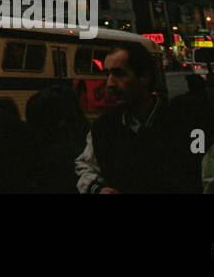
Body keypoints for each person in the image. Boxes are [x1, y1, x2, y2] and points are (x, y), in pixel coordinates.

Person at [75, 42, 200, 193]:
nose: (110, 84)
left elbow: (210, 175)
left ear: (144, 77)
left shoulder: (186, 123)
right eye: (107, 74)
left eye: (119, 74)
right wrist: (98, 189)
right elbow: (85, 167)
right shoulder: (103, 127)